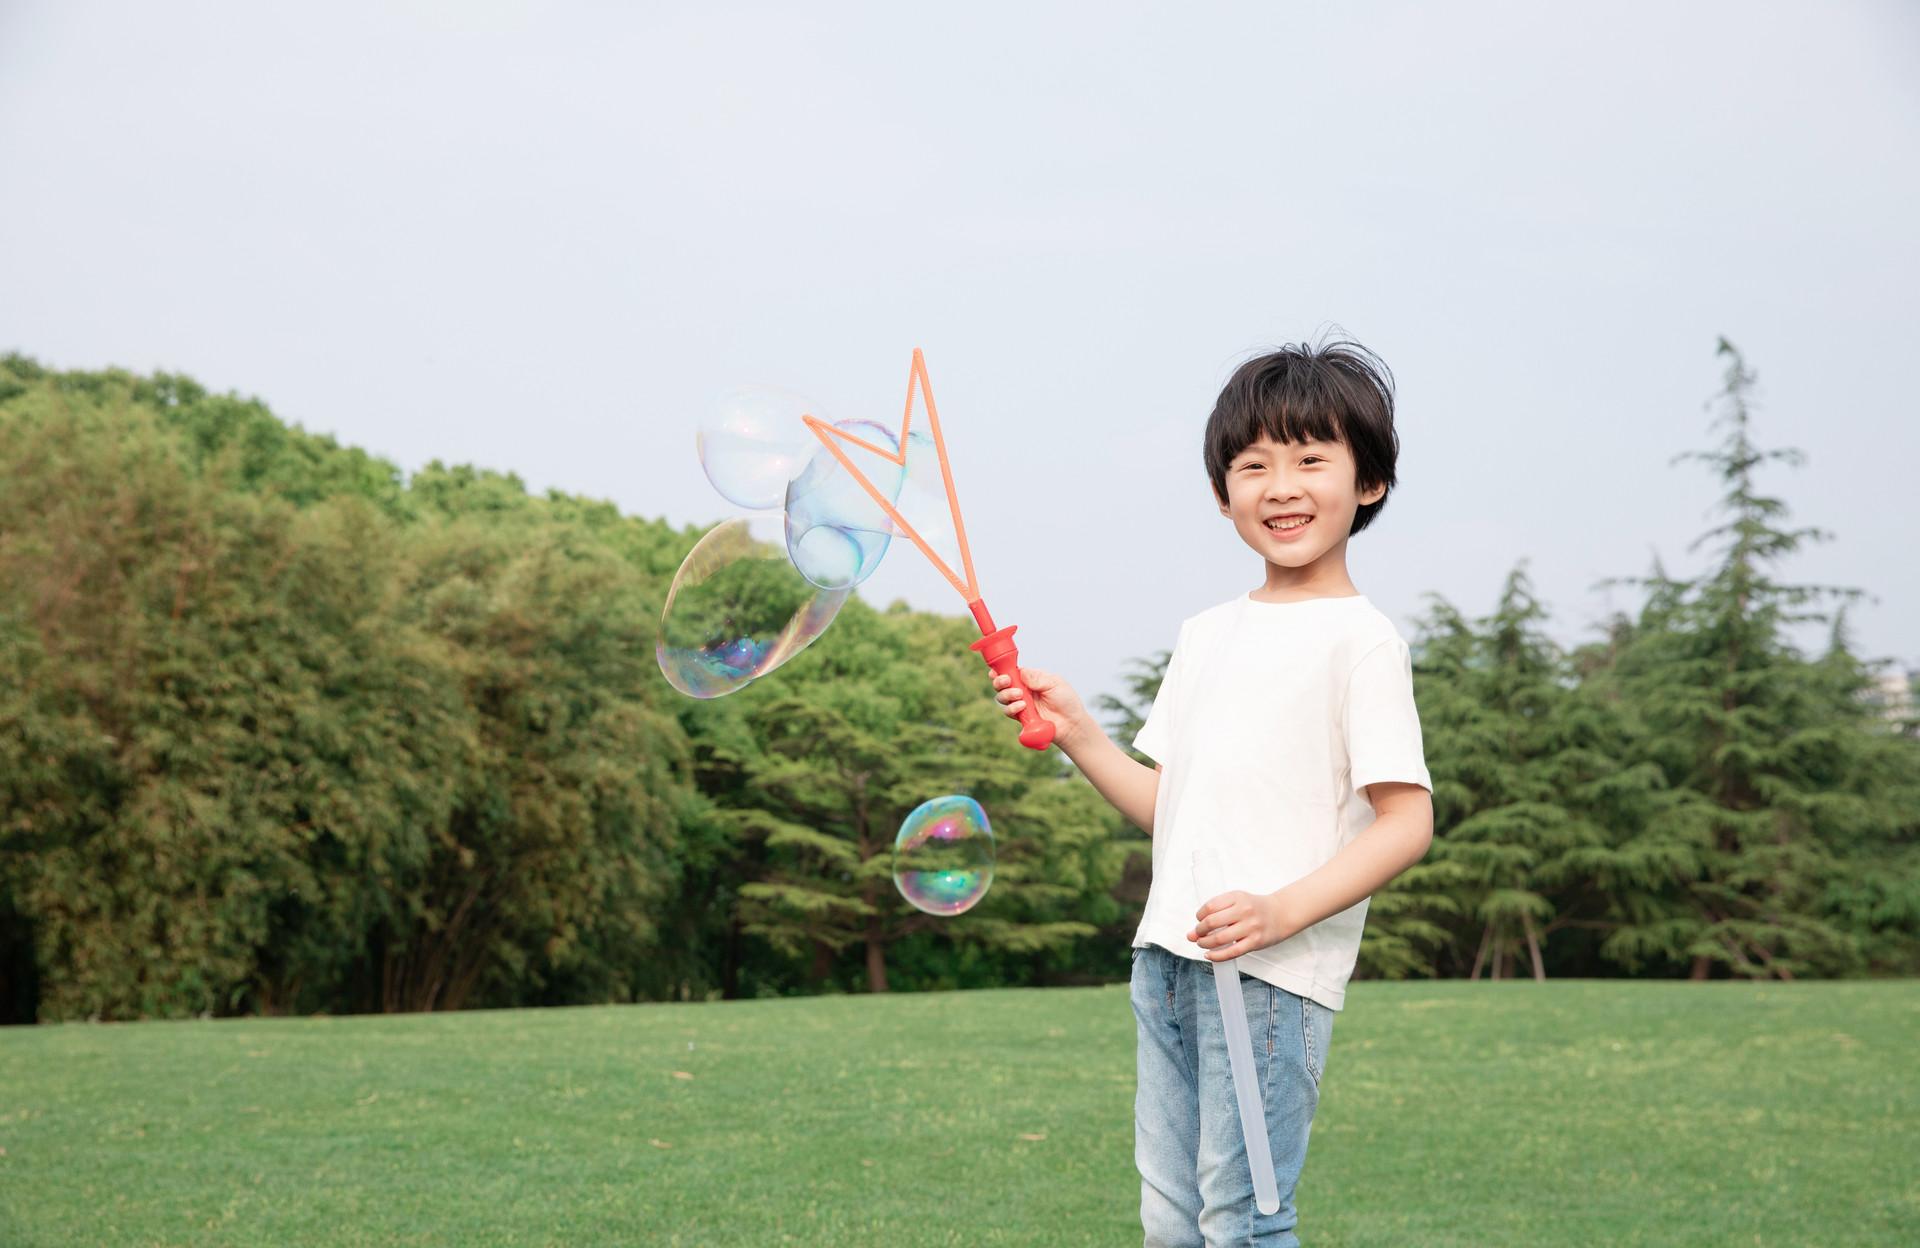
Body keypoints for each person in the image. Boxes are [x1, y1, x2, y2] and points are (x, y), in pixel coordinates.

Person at [992, 338, 1434, 1247]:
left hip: (1269, 977)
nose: (1281, 485)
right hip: (1164, 960)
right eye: (1253, 464)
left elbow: (1407, 822)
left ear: (1369, 483)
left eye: (1312, 459)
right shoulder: (1204, 635)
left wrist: (1280, 912)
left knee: (1245, 1219)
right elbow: (1175, 812)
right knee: (1170, 1219)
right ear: (1221, 493)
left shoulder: (1363, 643)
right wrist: (1078, 734)